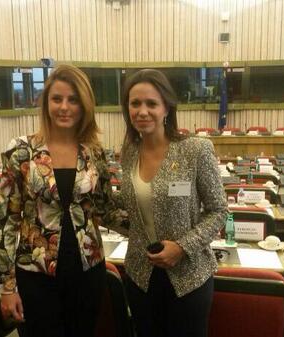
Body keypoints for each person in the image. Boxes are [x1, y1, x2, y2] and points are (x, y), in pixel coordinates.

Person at [0, 64, 125, 337]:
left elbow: (105, 211)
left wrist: (155, 227)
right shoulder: (21, 151)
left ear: (84, 105)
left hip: (88, 270)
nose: (64, 107)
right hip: (35, 270)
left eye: (73, 99)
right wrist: (7, 288)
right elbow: (8, 221)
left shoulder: (94, 152)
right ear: (46, 103)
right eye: (57, 99)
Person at [119, 69, 227, 337]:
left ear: (166, 107)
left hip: (188, 276)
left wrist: (181, 248)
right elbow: (136, 211)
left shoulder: (195, 150)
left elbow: (219, 211)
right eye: (135, 104)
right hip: (141, 275)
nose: (142, 111)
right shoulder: (129, 153)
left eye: (151, 104)